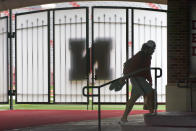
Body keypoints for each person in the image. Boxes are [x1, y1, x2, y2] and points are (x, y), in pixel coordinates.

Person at [119, 40, 156, 124]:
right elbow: (127, 64)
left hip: (140, 78)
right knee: (149, 93)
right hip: (136, 78)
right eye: (153, 49)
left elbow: (147, 70)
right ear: (148, 49)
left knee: (134, 98)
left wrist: (150, 80)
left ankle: (124, 118)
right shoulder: (141, 55)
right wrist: (125, 76)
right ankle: (152, 115)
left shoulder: (147, 56)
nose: (153, 51)